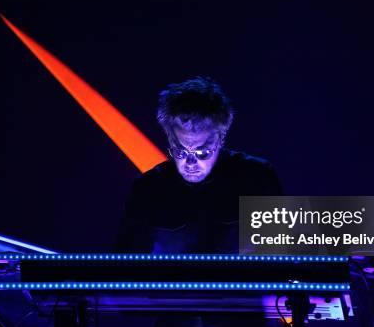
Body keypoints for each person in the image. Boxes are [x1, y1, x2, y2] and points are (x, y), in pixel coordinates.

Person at [116, 77, 282, 253]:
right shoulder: (147, 189)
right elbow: (126, 266)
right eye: (179, 151)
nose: (190, 163)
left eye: (203, 152)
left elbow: (282, 259)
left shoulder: (257, 179)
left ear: (221, 138)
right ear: (170, 139)